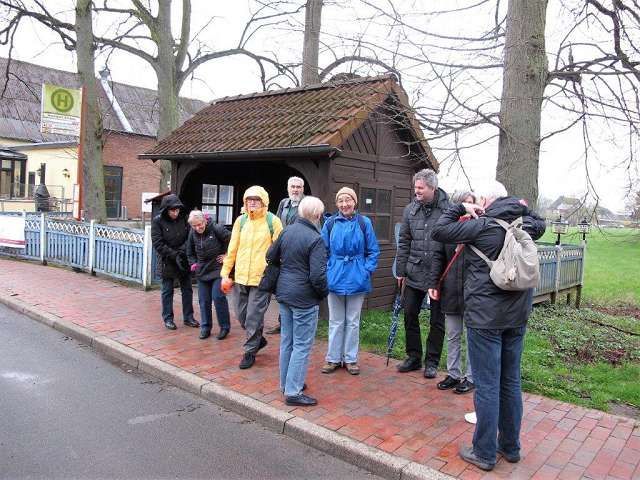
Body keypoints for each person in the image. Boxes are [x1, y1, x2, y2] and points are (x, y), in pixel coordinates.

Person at [432, 180, 545, 472]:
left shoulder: (481, 227)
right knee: (511, 382)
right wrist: (520, 206)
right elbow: (540, 220)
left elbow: (439, 230)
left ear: (484, 200)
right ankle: (510, 447)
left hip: (485, 318)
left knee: (487, 385)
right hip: (517, 316)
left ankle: (483, 452)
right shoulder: (526, 225)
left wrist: (461, 207)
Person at [268, 196, 328, 407]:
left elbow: (270, 255)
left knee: (287, 341)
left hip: (284, 293)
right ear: (318, 215)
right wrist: (323, 293)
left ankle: (287, 384)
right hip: (304, 298)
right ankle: (293, 391)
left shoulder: (287, 231)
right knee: (301, 345)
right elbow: (317, 277)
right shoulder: (316, 239)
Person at [221, 186, 283, 370]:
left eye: (256, 200)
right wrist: (225, 273)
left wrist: (274, 273)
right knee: (241, 315)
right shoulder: (241, 221)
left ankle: (249, 352)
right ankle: (258, 339)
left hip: (261, 279)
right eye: (249, 200)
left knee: (253, 317)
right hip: (240, 277)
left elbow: (280, 250)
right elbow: (232, 249)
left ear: (264, 201)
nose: (252, 203)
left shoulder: (273, 221)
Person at [395, 169, 449, 378]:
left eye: (420, 187)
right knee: (409, 313)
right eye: (415, 187)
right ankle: (414, 356)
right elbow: (404, 241)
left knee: (437, 320)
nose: (416, 191)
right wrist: (401, 271)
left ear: (432, 188)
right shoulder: (410, 210)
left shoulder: (448, 209)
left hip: (439, 274)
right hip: (414, 270)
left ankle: (432, 362)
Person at [320, 187, 380, 376]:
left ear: (355, 202)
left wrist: (366, 270)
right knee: (335, 321)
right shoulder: (330, 223)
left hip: (357, 277)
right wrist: (328, 270)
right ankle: (333, 358)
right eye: (341, 201)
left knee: (353, 321)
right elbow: (322, 251)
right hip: (335, 276)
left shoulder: (364, 223)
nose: (344, 204)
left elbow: (373, 250)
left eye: (348, 200)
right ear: (337, 203)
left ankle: (350, 358)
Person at [435, 191, 476, 394]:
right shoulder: (447, 231)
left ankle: (471, 377)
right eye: (464, 203)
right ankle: (453, 373)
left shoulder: (478, 229)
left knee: (471, 338)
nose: (468, 207)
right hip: (451, 290)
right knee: (452, 335)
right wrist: (434, 283)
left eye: (471, 203)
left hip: (472, 293)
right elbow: (438, 258)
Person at [151, 194, 199, 331]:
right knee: (167, 291)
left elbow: (190, 237)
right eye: (172, 210)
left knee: (187, 289)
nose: (175, 213)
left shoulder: (184, 218)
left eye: (177, 210)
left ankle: (188, 317)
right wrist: (173, 254)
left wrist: (182, 251)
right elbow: (158, 243)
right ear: (166, 209)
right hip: (167, 260)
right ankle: (168, 318)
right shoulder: (158, 221)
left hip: (183, 258)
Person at [267, 176, 306, 335]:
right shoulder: (284, 203)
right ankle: (282, 322)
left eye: (298, 187)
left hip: (298, 251)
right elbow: (277, 224)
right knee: (281, 286)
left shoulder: (307, 204)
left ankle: (295, 322)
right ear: (288, 188)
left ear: (303, 189)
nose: (295, 189)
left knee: (296, 286)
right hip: (283, 250)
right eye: (292, 187)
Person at [186, 210, 232, 340]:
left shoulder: (216, 228)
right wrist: (194, 264)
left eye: (199, 224)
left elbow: (233, 241)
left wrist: (227, 255)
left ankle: (224, 327)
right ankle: (205, 327)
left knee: (218, 297)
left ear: (205, 221)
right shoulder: (192, 233)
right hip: (202, 271)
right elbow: (189, 252)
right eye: (194, 226)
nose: (197, 228)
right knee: (204, 300)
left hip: (218, 269)